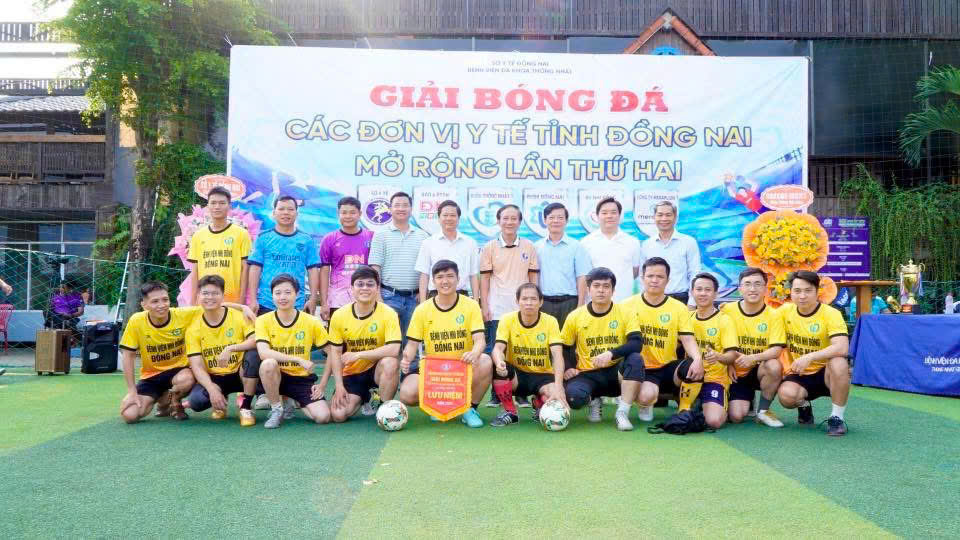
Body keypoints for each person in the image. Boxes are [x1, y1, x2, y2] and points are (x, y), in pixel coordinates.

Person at [118, 282, 253, 424]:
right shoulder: (136, 321)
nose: (162, 305)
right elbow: (127, 357)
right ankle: (164, 400)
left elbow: (212, 304)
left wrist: (242, 307)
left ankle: (175, 402)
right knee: (130, 415)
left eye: (165, 300)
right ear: (144, 305)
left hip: (180, 372)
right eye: (155, 301)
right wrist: (132, 392)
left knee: (187, 379)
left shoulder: (182, 314)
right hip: (151, 376)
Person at [397, 260, 492, 428]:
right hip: (434, 372)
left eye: (450, 276)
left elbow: (480, 340)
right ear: (433, 281)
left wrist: (474, 353)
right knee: (407, 393)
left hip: (462, 367)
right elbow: (412, 344)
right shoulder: (422, 309)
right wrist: (406, 359)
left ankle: (468, 409)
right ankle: (437, 405)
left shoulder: (470, 305)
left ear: (458, 279)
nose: (445, 281)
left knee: (485, 360)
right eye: (440, 277)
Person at [559, 267, 646, 431]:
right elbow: (563, 347)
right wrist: (569, 366)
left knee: (635, 359)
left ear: (613, 290)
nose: (601, 290)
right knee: (574, 398)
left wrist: (611, 353)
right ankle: (593, 400)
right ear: (589, 289)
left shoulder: (626, 312)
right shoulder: (575, 316)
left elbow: (636, 343)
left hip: (616, 374)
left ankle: (622, 412)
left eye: (606, 286)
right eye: (596, 286)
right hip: (587, 373)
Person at [315, 266, 401, 423]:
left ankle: (383, 408)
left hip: (376, 369)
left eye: (370, 284)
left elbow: (394, 349)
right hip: (352, 373)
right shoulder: (339, 315)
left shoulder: (389, 313)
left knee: (391, 363)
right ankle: (364, 397)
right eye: (360, 284)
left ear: (377, 288)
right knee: (338, 415)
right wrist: (339, 385)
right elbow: (335, 353)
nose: (365, 288)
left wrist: (358, 355)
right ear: (351, 288)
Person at [622, 257, 702, 422]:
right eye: (650, 276)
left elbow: (687, 338)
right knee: (646, 397)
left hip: (667, 367)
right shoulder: (626, 305)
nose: (654, 280)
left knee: (693, 365)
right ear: (642, 278)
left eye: (660, 276)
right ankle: (645, 403)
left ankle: (684, 409)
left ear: (667, 280)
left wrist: (698, 358)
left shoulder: (678, 307)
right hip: (640, 368)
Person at [776, 270, 851, 436]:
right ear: (790, 292)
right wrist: (728, 311)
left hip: (826, 373)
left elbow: (842, 347)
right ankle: (804, 406)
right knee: (786, 397)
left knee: (839, 362)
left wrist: (810, 357)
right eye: (797, 291)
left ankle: (837, 418)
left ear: (817, 291)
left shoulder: (831, 313)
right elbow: (759, 318)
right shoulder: (784, 311)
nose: (802, 296)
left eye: (808, 290)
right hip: (800, 372)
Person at [253, 274, 332, 429]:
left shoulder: (311, 321)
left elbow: (332, 353)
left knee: (323, 417)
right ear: (272, 295)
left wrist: (322, 384)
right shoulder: (263, 320)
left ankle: (292, 399)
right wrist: (297, 359)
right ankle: (276, 409)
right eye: (278, 293)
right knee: (268, 364)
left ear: (297, 294)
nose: (282, 297)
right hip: (276, 376)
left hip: (300, 379)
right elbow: (263, 353)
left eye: (288, 292)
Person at [479, 204, 539, 407]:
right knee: (497, 351)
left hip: (523, 310)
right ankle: (497, 394)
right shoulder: (489, 247)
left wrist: (535, 304)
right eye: (505, 218)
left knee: (522, 351)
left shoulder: (529, 246)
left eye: (514, 218)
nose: (509, 222)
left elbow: (533, 278)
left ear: (520, 222)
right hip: (497, 309)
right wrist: (484, 305)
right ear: (498, 221)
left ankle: (521, 393)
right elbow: (484, 280)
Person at [184, 275, 259, 426]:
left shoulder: (238, 316)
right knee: (196, 402)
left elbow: (256, 340)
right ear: (198, 296)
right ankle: (220, 399)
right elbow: (197, 366)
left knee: (254, 355)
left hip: (240, 373)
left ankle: (245, 407)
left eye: (215, 293)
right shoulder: (193, 328)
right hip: (215, 377)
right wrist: (212, 389)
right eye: (205, 293)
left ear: (223, 296)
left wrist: (230, 348)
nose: (210, 297)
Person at [489, 283, 567, 426]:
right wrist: (499, 362)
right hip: (517, 376)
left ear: (541, 302)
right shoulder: (507, 319)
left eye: (533, 299)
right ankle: (511, 412)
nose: (529, 303)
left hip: (543, 376)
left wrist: (558, 386)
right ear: (517, 301)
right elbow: (498, 348)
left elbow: (557, 355)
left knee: (556, 398)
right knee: (496, 367)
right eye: (524, 299)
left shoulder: (550, 321)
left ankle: (539, 403)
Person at [721, 268, 786, 427]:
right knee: (736, 416)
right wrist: (728, 362)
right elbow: (718, 341)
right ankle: (746, 399)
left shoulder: (774, 315)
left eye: (758, 284)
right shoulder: (727, 310)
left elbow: (776, 350)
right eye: (747, 284)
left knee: (774, 365)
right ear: (740, 288)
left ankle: (763, 411)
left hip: (759, 368)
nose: (752, 289)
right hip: (736, 370)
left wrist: (753, 358)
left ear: (765, 289)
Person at [676, 272, 740, 429]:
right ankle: (686, 401)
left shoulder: (724, 320)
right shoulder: (686, 318)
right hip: (690, 377)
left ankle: (706, 403)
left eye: (708, 290)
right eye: (699, 289)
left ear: (716, 293)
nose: (703, 293)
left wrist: (718, 357)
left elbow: (732, 355)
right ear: (692, 292)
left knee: (714, 421)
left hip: (714, 378)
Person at [247, 195, 321, 316]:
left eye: (290, 209)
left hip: (296, 303)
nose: (286, 212)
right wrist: (253, 299)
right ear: (274, 213)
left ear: (296, 214)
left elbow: (313, 270)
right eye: (281, 209)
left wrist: (313, 299)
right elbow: (255, 268)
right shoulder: (263, 238)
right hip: (266, 302)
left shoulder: (306, 240)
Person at [369, 191, 429, 338]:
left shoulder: (423, 236)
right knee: (390, 341)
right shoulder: (380, 234)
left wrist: (423, 294)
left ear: (411, 209)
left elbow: (426, 269)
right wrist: (378, 297)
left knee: (412, 341)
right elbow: (375, 267)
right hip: (388, 297)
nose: (401, 208)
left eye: (405, 205)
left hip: (415, 299)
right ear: (390, 209)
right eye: (397, 205)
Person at [187, 186, 252, 304]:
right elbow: (195, 271)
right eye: (213, 203)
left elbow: (245, 269)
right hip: (205, 300)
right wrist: (192, 303)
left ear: (229, 206)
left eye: (222, 203)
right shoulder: (198, 236)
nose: (217, 207)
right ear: (208, 206)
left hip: (232, 300)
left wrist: (241, 300)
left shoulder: (241, 234)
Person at [534, 202, 591, 329]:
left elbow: (582, 277)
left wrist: (580, 305)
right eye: (551, 217)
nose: (556, 221)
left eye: (560, 217)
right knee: (545, 339)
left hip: (570, 302)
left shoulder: (577, 246)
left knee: (569, 339)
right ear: (545, 220)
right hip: (544, 303)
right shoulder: (536, 247)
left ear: (566, 221)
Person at [318, 196, 375, 321]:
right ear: (338, 214)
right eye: (344, 212)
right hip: (338, 300)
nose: (348, 216)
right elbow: (324, 272)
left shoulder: (371, 237)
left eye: (352, 212)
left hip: (366, 299)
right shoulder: (329, 239)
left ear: (360, 214)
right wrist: (324, 302)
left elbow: (376, 269)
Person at [414, 200, 479, 302]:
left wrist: (476, 301)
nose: (449, 218)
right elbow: (424, 275)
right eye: (445, 215)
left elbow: (473, 275)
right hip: (435, 295)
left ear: (458, 218)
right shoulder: (428, 243)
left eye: (453, 215)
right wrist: (423, 302)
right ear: (439, 218)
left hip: (462, 296)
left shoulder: (470, 243)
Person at [580, 197, 642, 302]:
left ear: (619, 215)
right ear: (597, 216)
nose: (609, 216)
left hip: (623, 302)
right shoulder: (586, 242)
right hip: (595, 303)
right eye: (604, 213)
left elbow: (635, 271)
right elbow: (584, 275)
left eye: (613, 212)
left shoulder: (632, 242)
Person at [640, 201, 700, 305]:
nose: (664, 219)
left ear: (675, 217)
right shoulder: (646, 244)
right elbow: (642, 275)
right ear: (654, 217)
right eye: (660, 215)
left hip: (681, 300)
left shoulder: (689, 242)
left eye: (668, 215)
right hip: (653, 300)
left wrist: (692, 302)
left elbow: (694, 273)